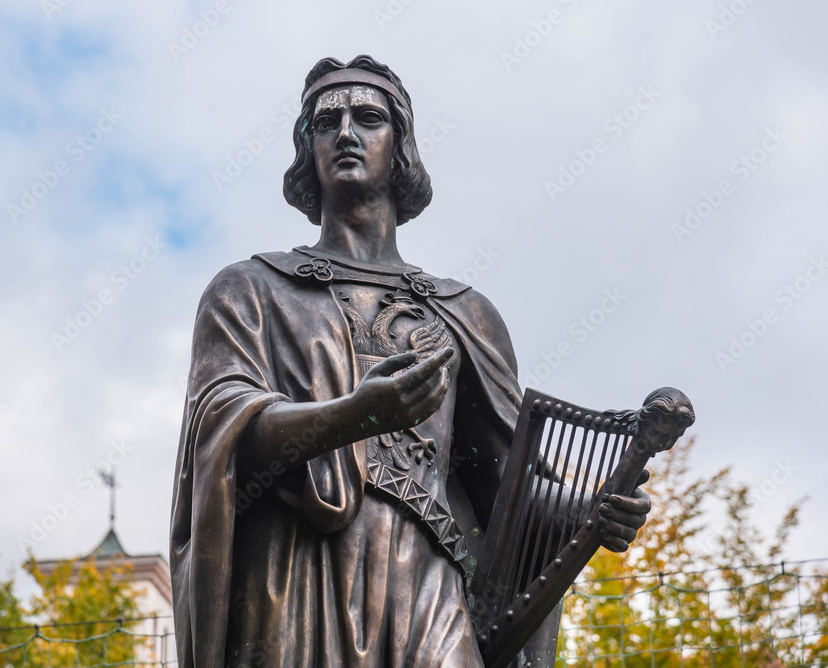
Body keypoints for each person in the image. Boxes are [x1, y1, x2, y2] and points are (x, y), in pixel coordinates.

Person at [170, 54, 652, 667]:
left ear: (400, 146)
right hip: (296, 581)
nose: (345, 132)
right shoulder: (253, 291)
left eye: (368, 117)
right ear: (307, 149)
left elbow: (508, 490)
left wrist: (591, 510)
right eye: (325, 122)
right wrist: (354, 416)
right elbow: (222, 440)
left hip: (429, 588)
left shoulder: (464, 313)